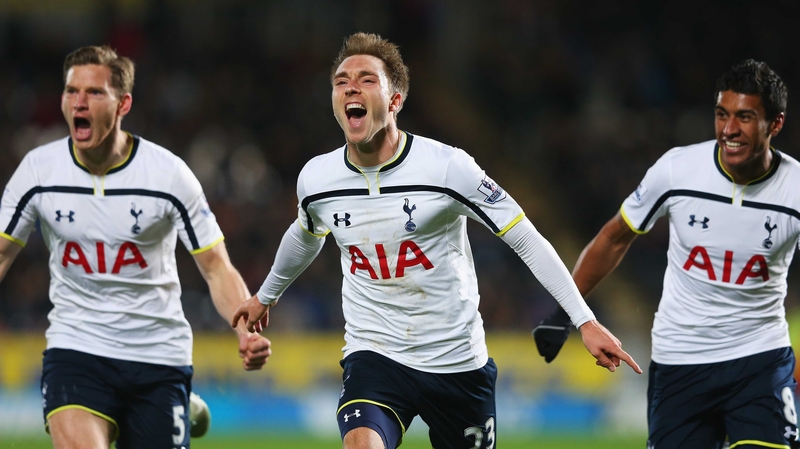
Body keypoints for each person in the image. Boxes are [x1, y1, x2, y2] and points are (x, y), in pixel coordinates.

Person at [232, 32, 641, 449]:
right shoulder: (316, 180)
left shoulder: (447, 169)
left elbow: (526, 239)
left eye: (367, 79)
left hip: (456, 359)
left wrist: (585, 321)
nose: (351, 86)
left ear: (395, 101)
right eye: (341, 81)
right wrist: (266, 296)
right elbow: (306, 235)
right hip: (375, 354)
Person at [0, 45, 272, 449]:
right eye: (71, 91)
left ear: (123, 103)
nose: (78, 102)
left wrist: (243, 332)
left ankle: (175, 403)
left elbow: (216, 266)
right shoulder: (39, 171)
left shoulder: (168, 175)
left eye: (93, 93)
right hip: (77, 348)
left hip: (157, 354)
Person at [533, 59, 800, 449]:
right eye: (722, 115)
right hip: (681, 361)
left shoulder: (794, 190)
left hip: (759, 357)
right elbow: (614, 237)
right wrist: (564, 311)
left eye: (745, 117)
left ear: (774, 124)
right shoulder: (678, 170)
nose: (729, 130)